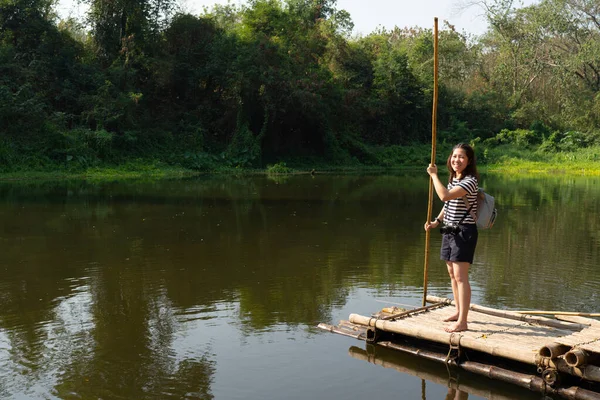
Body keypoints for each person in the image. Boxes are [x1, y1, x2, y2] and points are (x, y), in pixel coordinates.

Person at [424, 143, 479, 333]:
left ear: (469, 161)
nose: (457, 160)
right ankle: (458, 311)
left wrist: (433, 175)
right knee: (452, 274)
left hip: (464, 231)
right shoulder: (454, 178)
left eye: (462, 157)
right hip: (449, 229)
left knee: (461, 277)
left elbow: (445, 196)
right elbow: (448, 206)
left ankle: (463, 322)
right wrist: (436, 222)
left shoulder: (469, 181)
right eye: (454, 156)